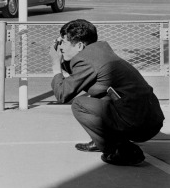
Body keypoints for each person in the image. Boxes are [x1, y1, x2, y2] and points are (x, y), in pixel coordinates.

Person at [49, 19, 165, 166]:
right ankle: (101, 140)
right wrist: (61, 59)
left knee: (80, 104)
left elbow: (62, 94)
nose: (60, 47)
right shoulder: (98, 52)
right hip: (149, 119)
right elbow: (78, 75)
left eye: (63, 42)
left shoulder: (87, 61)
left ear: (79, 45)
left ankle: (122, 150)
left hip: (139, 124)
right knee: (97, 96)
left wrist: (55, 64)